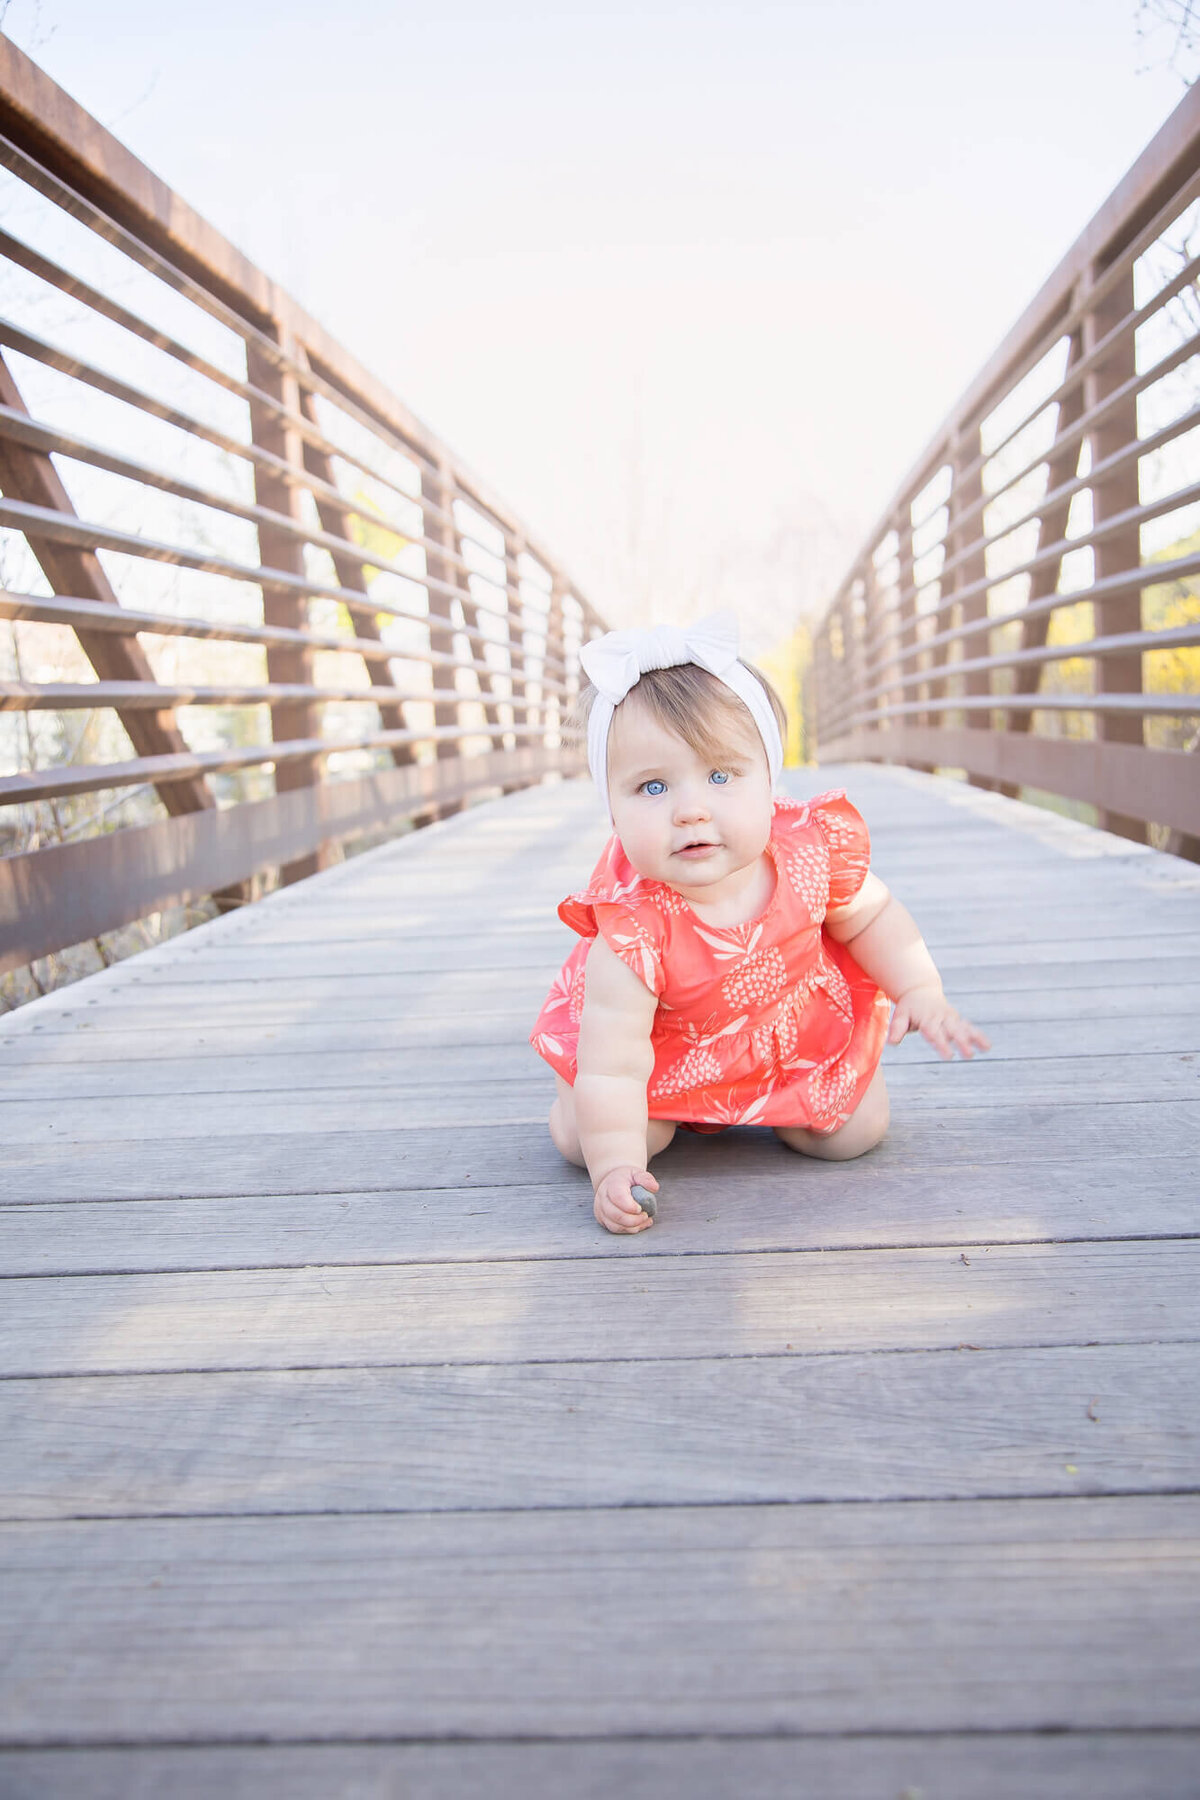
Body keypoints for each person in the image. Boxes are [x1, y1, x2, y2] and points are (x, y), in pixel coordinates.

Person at [530, 611, 990, 1235]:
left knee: (854, 1132)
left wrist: (918, 988)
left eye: (721, 776)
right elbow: (615, 1067)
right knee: (600, 1135)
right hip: (662, 1059)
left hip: (787, 1036)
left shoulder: (808, 852)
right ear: (610, 809)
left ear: (770, 780)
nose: (691, 810)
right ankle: (592, 1123)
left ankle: (776, 1107)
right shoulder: (631, 931)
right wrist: (615, 1165)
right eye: (652, 788)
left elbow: (871, 914)